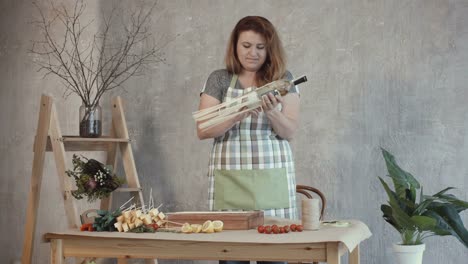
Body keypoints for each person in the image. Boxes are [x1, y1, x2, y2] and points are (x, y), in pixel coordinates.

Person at [197, 16, 300, 264]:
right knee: (233, 254)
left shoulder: (283, 78)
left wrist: (272, 112)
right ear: (235, 46)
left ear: (269, 49)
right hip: (229, 182)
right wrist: (238, 112)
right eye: (246, 46)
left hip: (271, 181)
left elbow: (289, 132)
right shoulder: (219, 79)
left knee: (273, 256)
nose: (252, 53)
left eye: (260, 47)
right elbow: (203, 129)